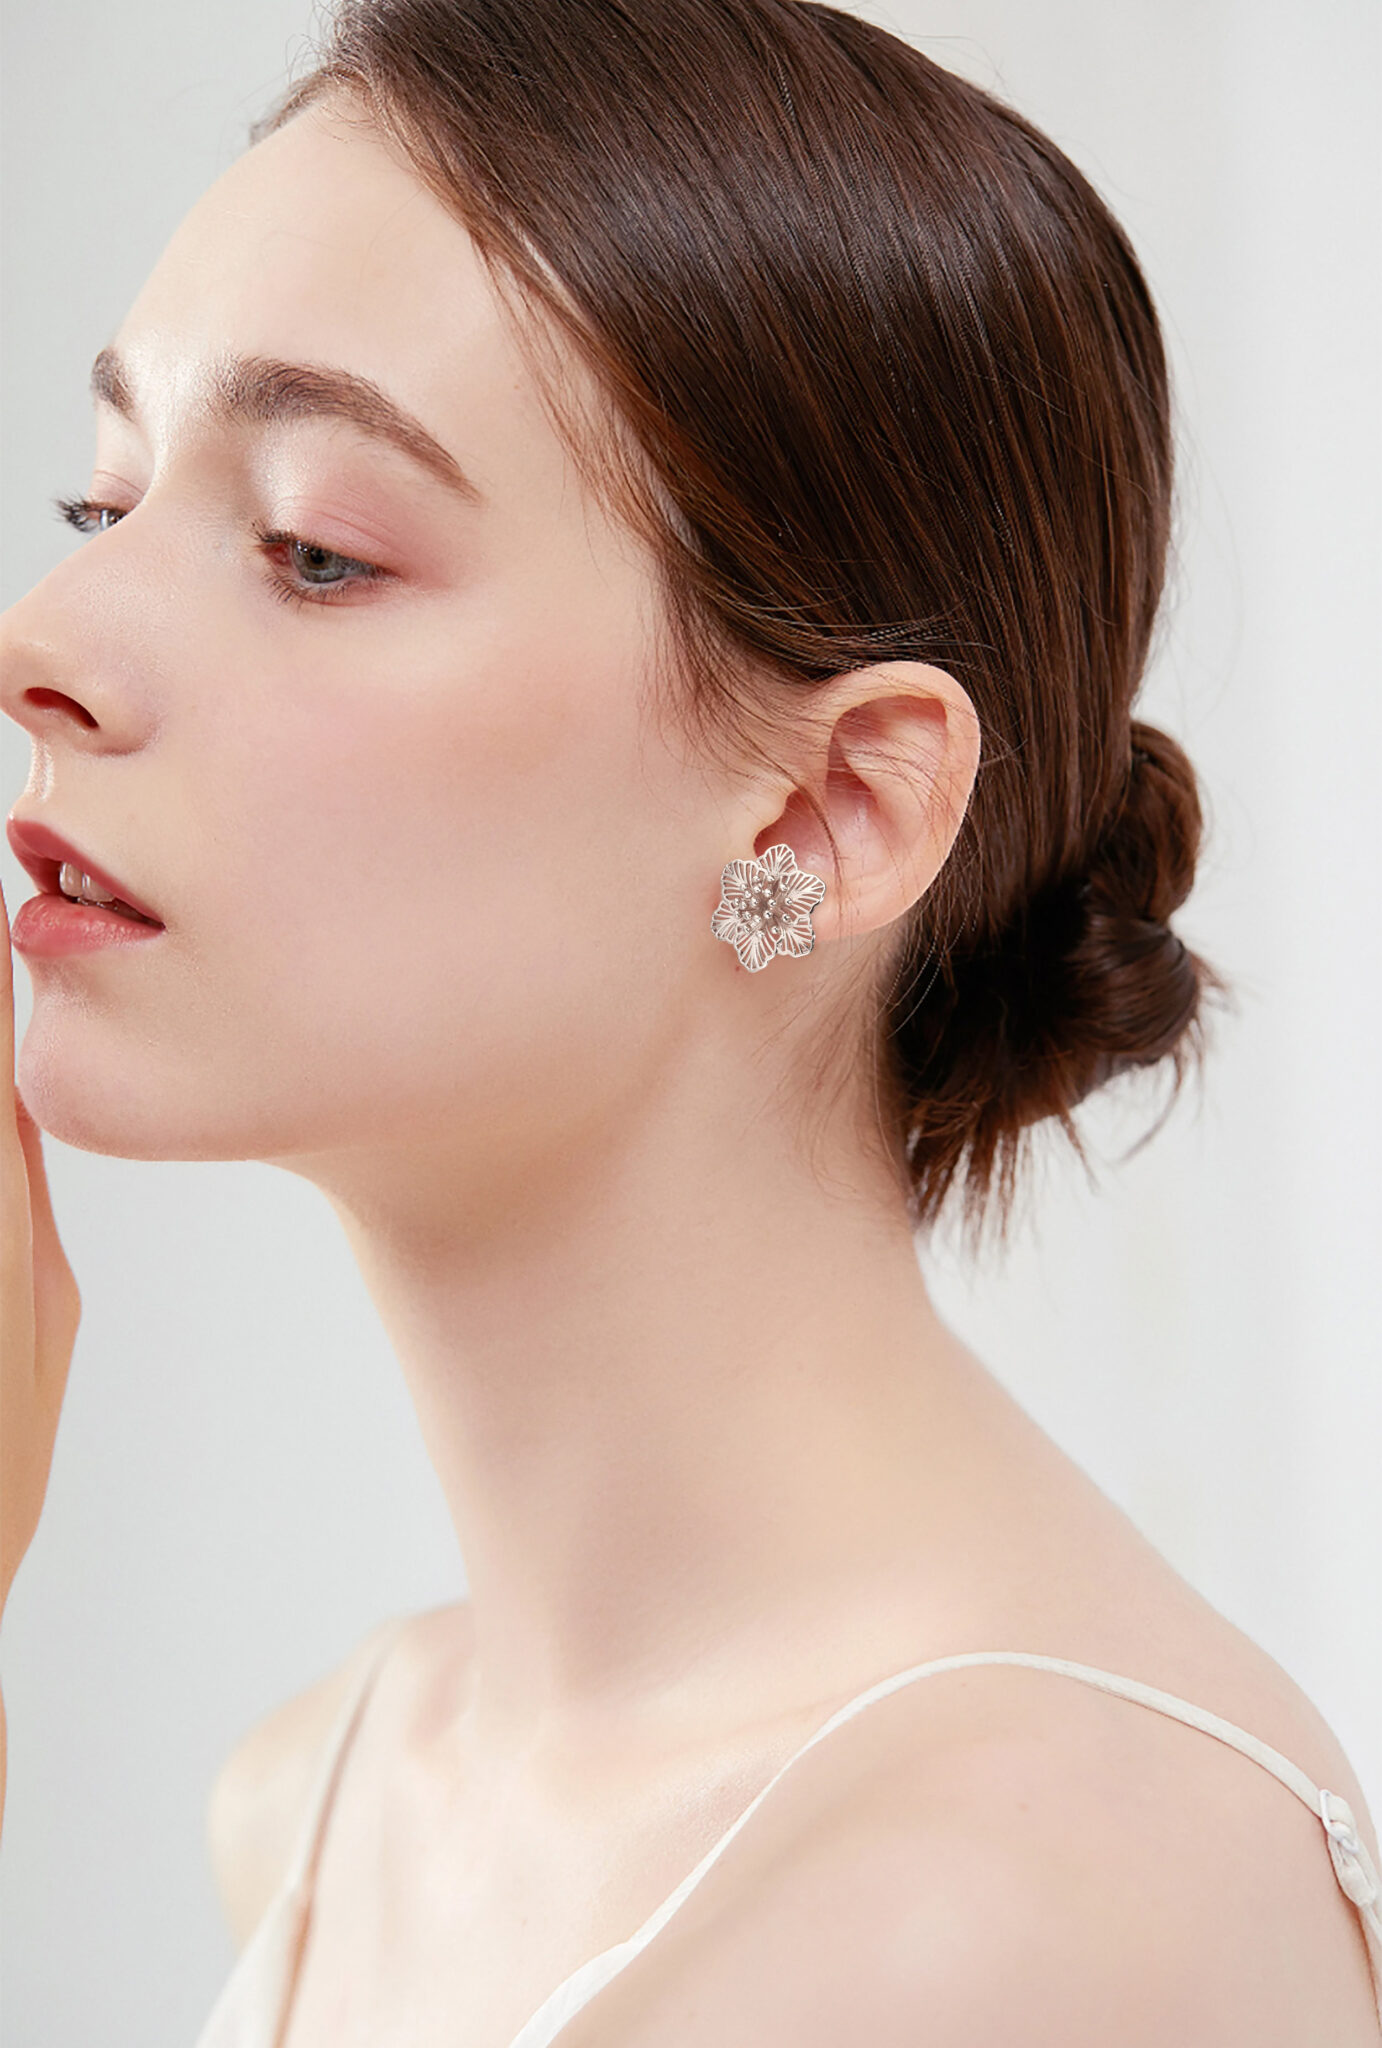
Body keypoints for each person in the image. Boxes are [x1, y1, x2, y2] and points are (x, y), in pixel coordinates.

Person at [1, 0, 1378, 2040]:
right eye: (103, 506)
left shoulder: (1036, 1917)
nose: (45, 642)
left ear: (830, 812)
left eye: (315, 551)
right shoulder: (321, 1795)